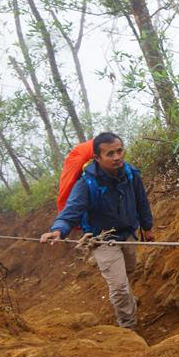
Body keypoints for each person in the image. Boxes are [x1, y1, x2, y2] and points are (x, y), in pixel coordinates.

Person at [40, 132, 153, 330]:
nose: (117, 157)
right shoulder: (87, 183)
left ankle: (126, 299)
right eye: (110, 154)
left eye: (119, 151)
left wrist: (147, 227)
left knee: (129, 271)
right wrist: (58, 230)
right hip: (102, 239)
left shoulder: (131, 174)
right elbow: (72, 210)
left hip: (127, 233)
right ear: (97, 158)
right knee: (118, 286)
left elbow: (141, 201)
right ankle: (128, 328)